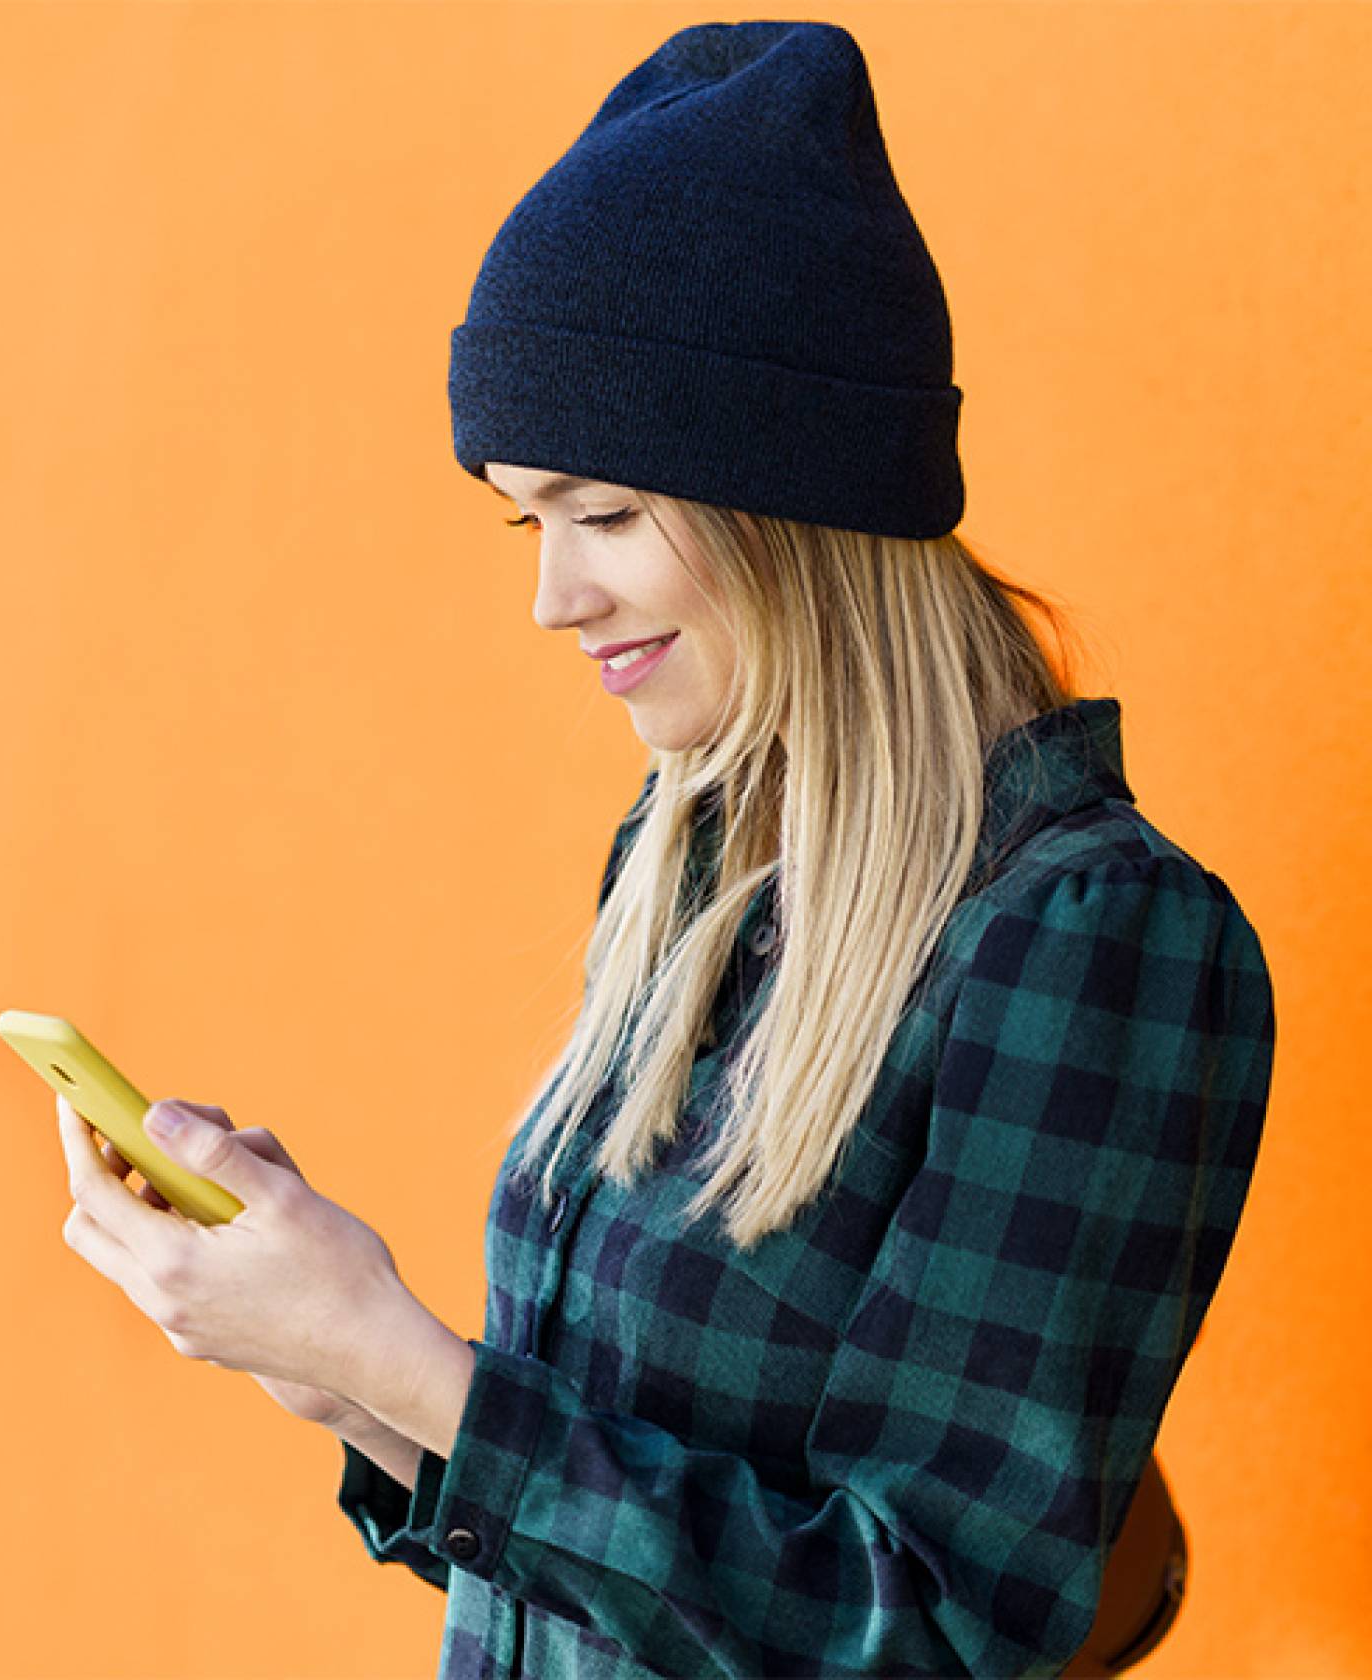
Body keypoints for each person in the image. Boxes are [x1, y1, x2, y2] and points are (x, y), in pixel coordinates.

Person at [330, 20, 1279, 1678]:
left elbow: (936, 1631)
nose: (552, 597)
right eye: (526, 519)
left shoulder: (1092, 942)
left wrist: (408, 1367)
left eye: (605, 514)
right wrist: (346, 1377)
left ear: (797, 504)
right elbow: (631, 1564)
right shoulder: (698, 864)